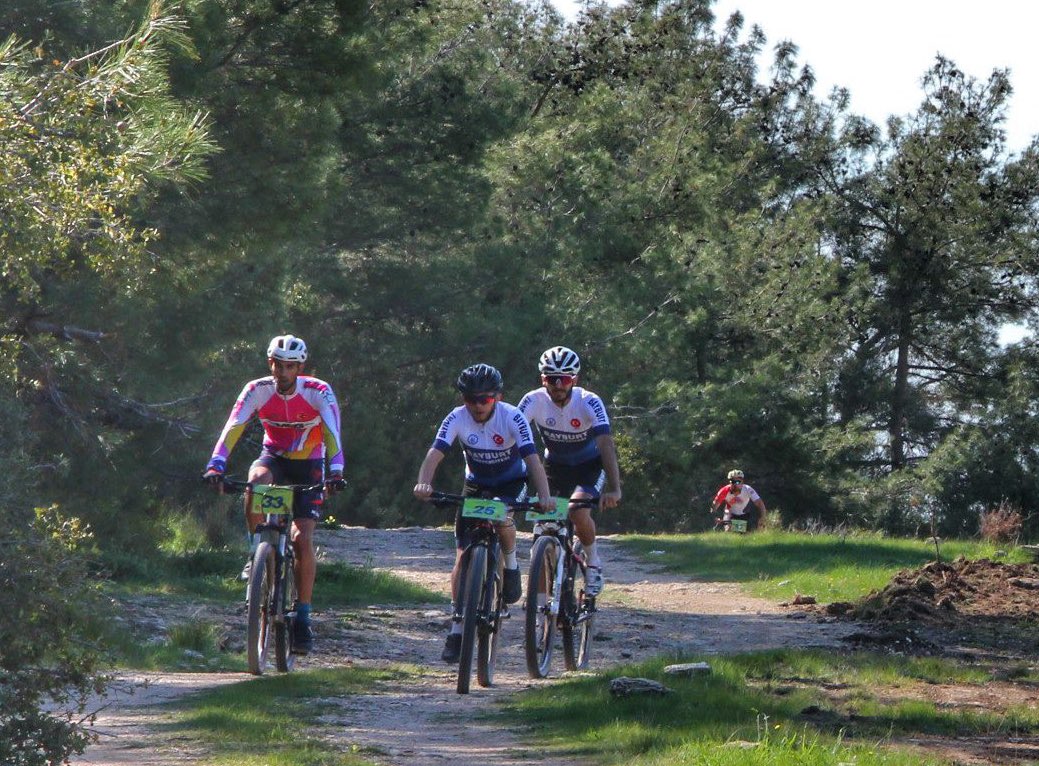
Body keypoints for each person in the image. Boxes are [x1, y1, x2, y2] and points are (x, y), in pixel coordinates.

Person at [202, 334, 345, 655]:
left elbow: (333, 434)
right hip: (274, 459)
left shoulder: (318, 391)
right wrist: (216, 464)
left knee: (301, 537)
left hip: (309, 464)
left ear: (300, 368)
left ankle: (303, 616)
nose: (283, 372)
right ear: (270, 364)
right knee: (255, 481)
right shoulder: (257, 389)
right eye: (278, 365)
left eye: (290, 366)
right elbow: (233, 427)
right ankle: (256, 553)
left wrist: (336, 472)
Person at [413, 363, 553, 664]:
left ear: (497, 397)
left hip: (511, 482)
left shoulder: (512, 417)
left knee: (502, 517)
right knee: (462, 555)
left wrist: (544, 496)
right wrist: (424, 482)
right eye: (471, 399)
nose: (478, 405)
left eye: (485, 399)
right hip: (476, 485)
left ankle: (511, 565)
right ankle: (457, 628)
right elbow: (435, 453)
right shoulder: (456, 417)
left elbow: (532, 460)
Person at [517, 346, 622, 597]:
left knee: (576, 510)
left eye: (564, 379)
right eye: (552, 379)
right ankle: (539, 604)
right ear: (543, 379)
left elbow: (605, 443)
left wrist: (615, 488)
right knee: (542, 530)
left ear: (574, 379)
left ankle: (593, 563)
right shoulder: (532, 400)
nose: (558, 385)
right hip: (554, 468)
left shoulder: (589, 401)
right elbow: (512, 437)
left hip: (588, 468)